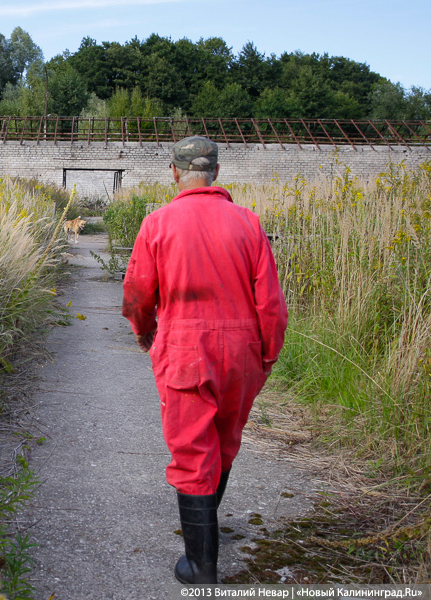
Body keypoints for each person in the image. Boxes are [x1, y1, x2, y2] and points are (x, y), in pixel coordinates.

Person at [121, 136, 288, 584]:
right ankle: (206, 530)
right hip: (241, 352)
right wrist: (266, 355)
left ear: (174, 173)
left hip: (185, 349)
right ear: (216, 172)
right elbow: (270, 304)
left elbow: (138, 293)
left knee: (194, 450)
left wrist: (144, 334)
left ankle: (201, 565)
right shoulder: (248, 223)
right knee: (224, 441)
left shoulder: (158, 223)